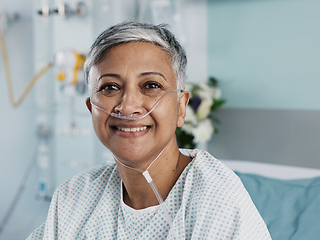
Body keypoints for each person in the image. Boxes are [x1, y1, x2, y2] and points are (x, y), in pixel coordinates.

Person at [27, 21, 271, 239]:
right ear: (92, 109)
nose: (128, 106)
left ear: (181, 107)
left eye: (151, 85)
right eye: (110, 87)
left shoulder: (216, 202)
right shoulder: (74, 198)